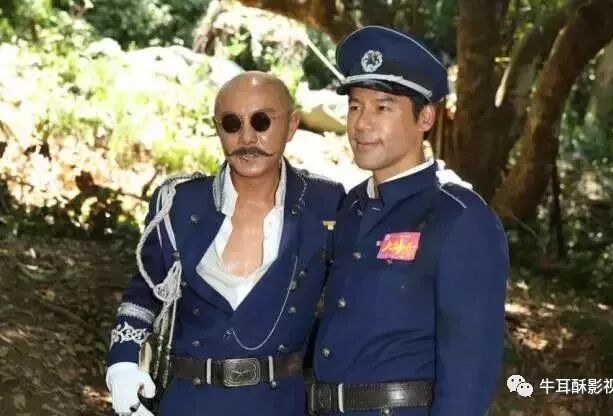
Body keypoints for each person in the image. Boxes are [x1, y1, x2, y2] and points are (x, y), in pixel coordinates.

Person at [105, 71, 346, 416]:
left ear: (291, 125)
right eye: (232, 123)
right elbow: (144, 294)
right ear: (217, 128)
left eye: (262, 121)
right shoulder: (178, 203)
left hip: (280, 403)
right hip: (187, 402)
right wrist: (122, 365)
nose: (247, 137)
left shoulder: (325, 203)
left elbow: (348, 305)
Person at [309, 26, 509, 415]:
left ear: (425, 118)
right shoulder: (353, 208)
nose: (361, 124)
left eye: (383, 108)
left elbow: (468, 378)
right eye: (355, 106)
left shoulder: (459, 218)